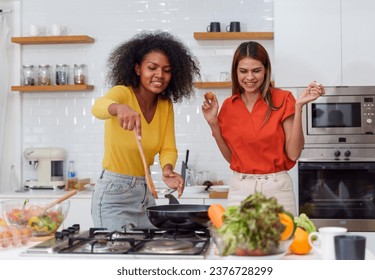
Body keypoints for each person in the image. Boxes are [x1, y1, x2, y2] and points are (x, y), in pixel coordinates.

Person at [91, 31, 200, 230]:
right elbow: (98, 107)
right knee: (117, 255)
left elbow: (168, 147)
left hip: (145, 193)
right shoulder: (122, 94)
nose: (160, 75)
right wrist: (118, 108)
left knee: (147, 256)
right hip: (114, 194)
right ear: (138, 69)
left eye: (166, 70)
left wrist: (167, 169)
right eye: (152, 68)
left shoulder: (165, 105)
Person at [201, 41, 325, 215]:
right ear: (235, 72)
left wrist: (298, 108)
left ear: (266, 70)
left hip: (277, 189)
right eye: (243, 71)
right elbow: (232, 158)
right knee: (240, 242)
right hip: (240, 190)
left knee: (282, 242)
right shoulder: (229, 106)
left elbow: (294, 154)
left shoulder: (284, 99)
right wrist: (213, 123)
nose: (249, 77)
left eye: (256, 70)